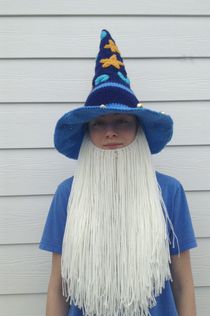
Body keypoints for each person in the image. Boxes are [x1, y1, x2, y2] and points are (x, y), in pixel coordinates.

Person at [39, 29, 197, 316]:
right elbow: (57, 287)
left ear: (139, 129)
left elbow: (184, 286)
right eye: (99, 123)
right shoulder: (67, 194)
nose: (110, 132)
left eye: (122, 121)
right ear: (87, 133)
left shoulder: (169, 193)